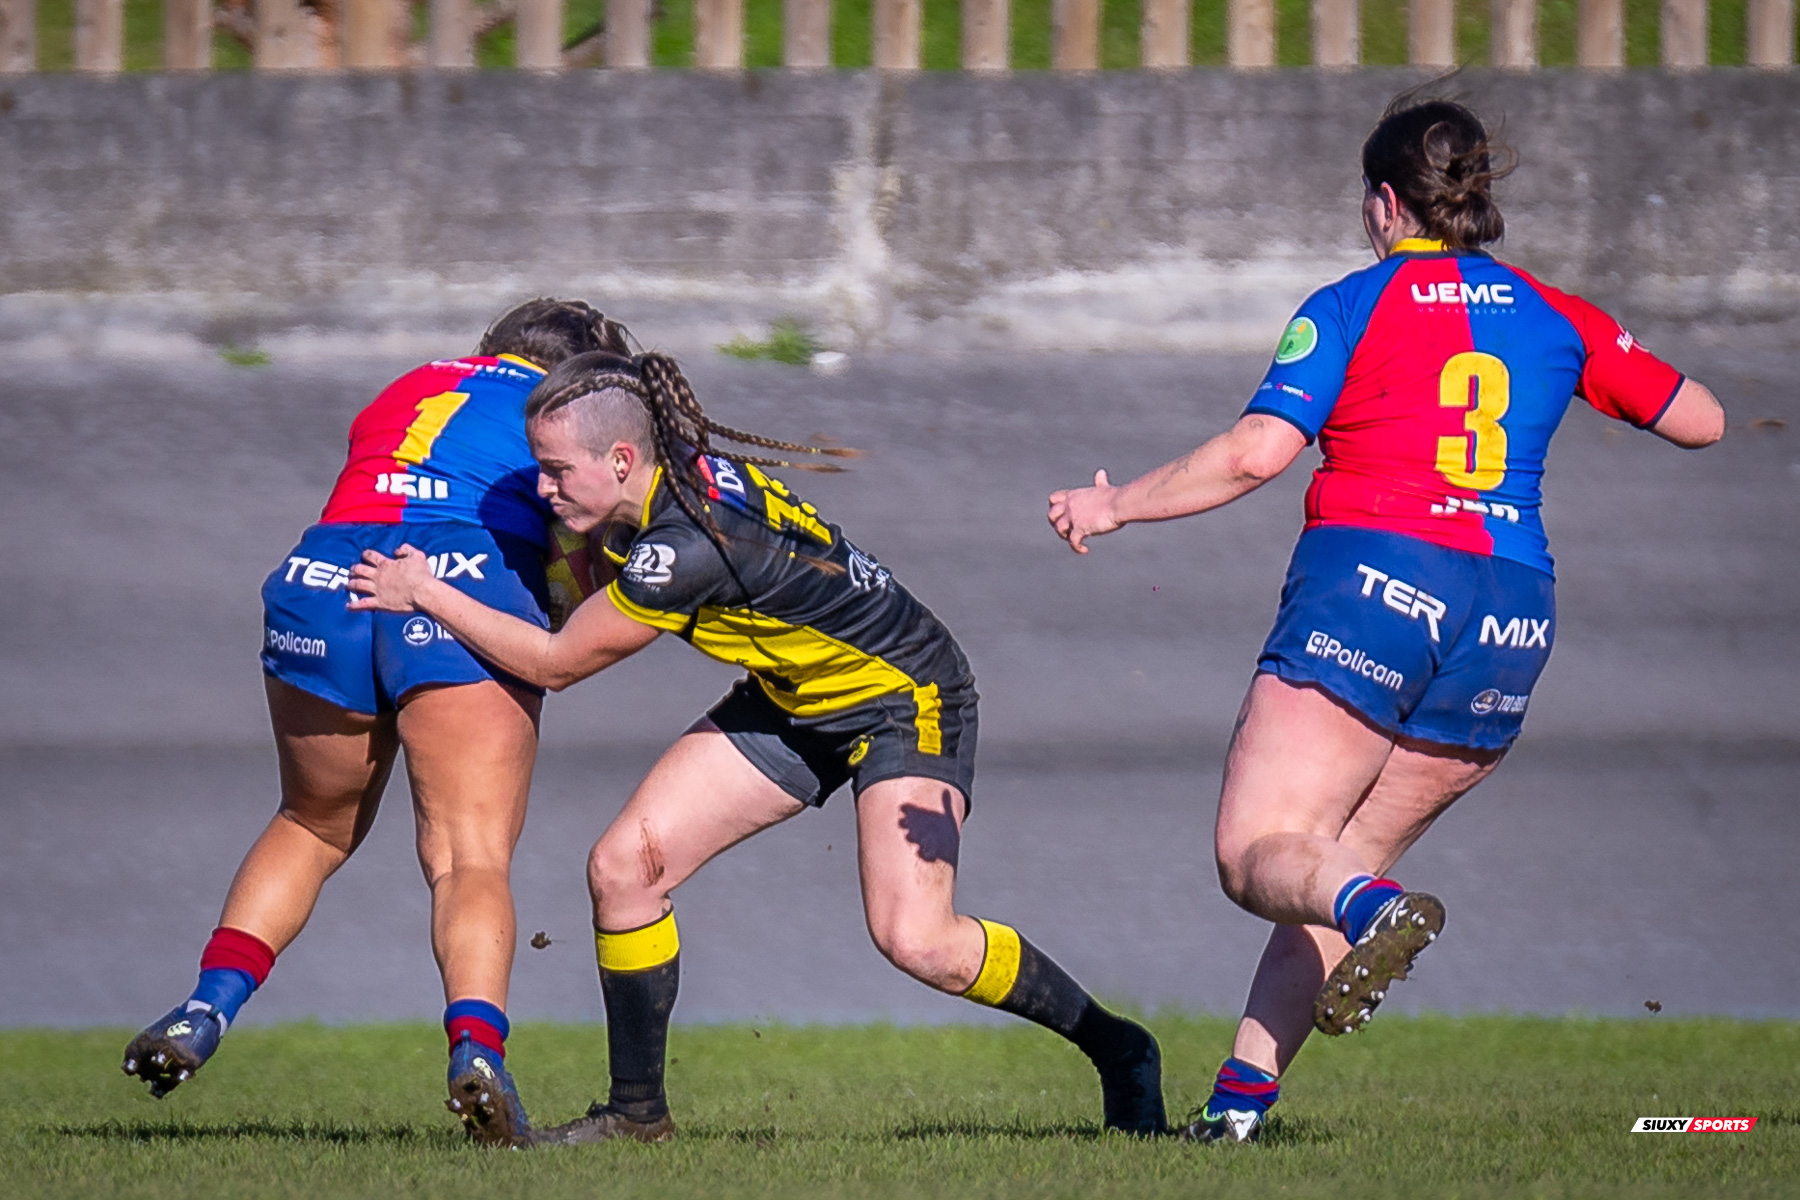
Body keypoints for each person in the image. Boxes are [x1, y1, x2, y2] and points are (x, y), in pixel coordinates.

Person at [1047, 96, 1723, 1144]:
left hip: (1378, 582)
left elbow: (1255, 454)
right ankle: (1238, 1111)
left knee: (1257, 857)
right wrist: (1596, 364)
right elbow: (1704, 420)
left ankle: (1373, 917)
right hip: (1511, 613)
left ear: (1381, 203)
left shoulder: (1353, 303)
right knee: (1335, 858)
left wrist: (1114, 503)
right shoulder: (1559, 314)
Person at [347, 350, 1168, 1144]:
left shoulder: (684, 549)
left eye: (559, 470)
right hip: (794, 696)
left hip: (904, 696)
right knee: (625, 868)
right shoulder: (664, 482)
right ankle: (637, 1116)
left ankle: (1121, 1048)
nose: (544, 487)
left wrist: (423, 591)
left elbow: (557, 665)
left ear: (624, 458)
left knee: (917, 938)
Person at [122, 299, 635, 1148]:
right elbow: (572, 549)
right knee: (468, 854)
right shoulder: (563, 418)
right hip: (454, 578)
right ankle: (478, 1049)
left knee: (311, 823)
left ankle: (204, 1007)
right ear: (570, 375)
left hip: (323, 576)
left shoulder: (411, 383)